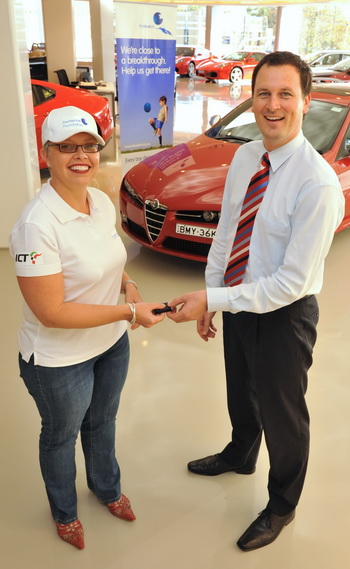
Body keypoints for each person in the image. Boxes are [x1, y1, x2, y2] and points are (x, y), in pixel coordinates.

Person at [167, 52, 345, 551]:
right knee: (239, 386)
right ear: (251, 98)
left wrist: (212, 296)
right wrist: (215, 296)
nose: (272, 105)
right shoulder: (246, 157)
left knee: (283, 413)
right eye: (263, 93)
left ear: (305, 103)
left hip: (286, 317)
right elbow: (228, 231)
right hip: (241, 294)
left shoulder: (317, 184)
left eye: (285, 94)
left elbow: (290, 283)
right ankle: (241, 452)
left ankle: (282, 504)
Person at [9, 106, 167, 550]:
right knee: (60, 436)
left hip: (109, 344)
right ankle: (64, 513)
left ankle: (106, 488)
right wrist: (128, 314)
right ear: (47, 153)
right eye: (67, 148)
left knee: (103, 422)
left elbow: (111, 260)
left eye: (89, 146)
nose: (81, 156)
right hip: (58, 360)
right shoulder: (35, 226)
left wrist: (130, 286)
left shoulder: (98, 200)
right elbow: (52, 312)